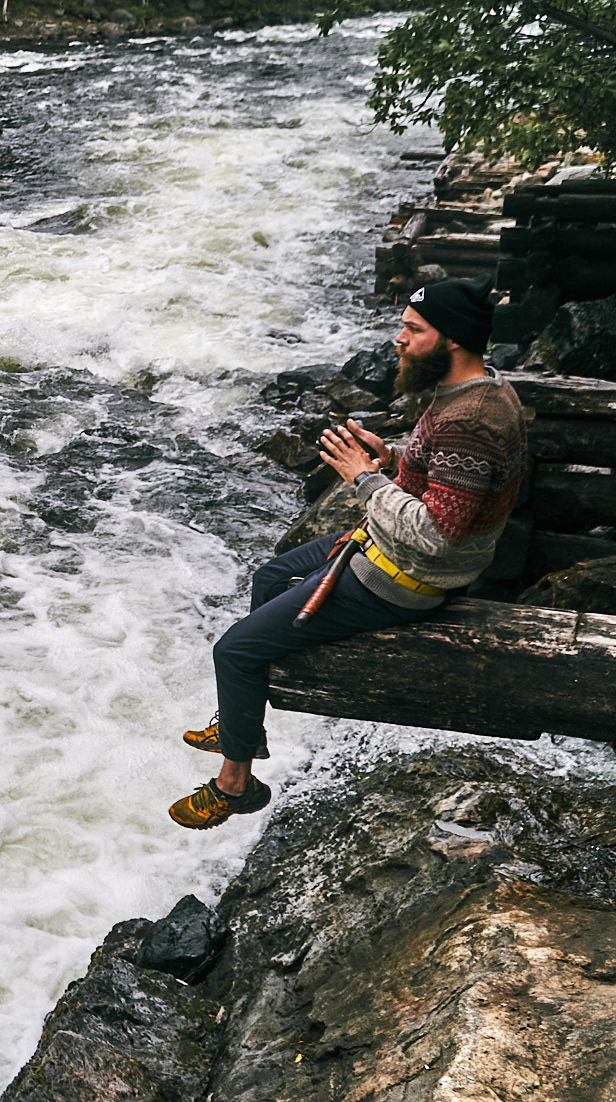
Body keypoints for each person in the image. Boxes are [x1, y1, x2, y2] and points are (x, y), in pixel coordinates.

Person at [169, 277, 527, 829]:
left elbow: (436, 533)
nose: (398, 340)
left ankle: (235, 783)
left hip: (407, 577)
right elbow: (452, 476)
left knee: (234, 653)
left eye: (412, 329)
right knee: (269, 577)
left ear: (452, 340)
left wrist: (364, 478)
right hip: (384, 545)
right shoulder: (476, 390)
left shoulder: (472, 422)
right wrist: (399, 457)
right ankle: (241, 721)